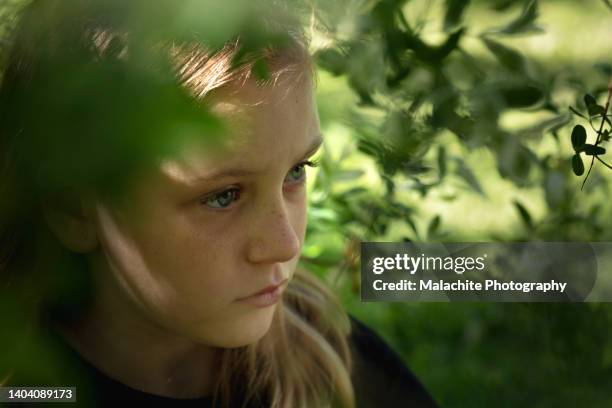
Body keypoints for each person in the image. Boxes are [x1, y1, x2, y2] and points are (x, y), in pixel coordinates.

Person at [0, 1, 438, 407]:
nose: (284, 245)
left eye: (297, 172)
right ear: (73, 207)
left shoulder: (341, 369)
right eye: (223, 196)